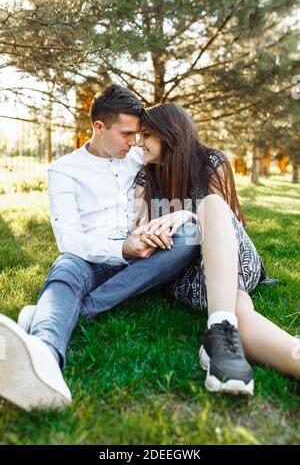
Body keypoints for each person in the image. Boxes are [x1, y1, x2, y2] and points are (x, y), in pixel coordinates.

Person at [75, 103, 300, 395]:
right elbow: (142, 235)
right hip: (185, 274)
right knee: (237, 306)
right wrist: (162, 228)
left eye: (146, 136)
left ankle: (220, 332)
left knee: (212, 205)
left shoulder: (211, 161)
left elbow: (228, 225)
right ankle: (224, 331)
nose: (139, 143)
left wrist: (188, 216)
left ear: (168, 136)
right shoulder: (145, 177)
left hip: (231, 258)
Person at [0, 86, 199, 411]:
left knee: (188, 237)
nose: (134, 142)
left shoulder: (137, 154)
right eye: (126, 134)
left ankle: (71, 312)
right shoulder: (64, 171)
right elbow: (69, 239)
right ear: (98, 127)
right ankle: (43, 359)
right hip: (90, 258)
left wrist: (182, 213)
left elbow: (180, 153)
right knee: (65, 268)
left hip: (145, 255)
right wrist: (122, 248)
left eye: (138, 134)